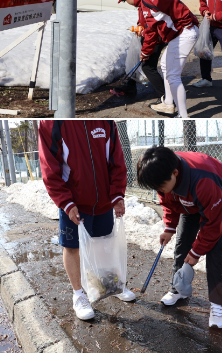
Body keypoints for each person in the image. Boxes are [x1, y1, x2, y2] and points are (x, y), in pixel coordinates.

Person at [38, 120, 136, 321]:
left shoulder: (106, 122)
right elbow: (50, 167)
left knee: (104, 242)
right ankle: (79, 295)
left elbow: (117, 160)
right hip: (73, 202)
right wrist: (65, 202)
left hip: (103, 200)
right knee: (72, 247)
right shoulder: (52, 123)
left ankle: (109, 286)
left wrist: (117, 195)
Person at [137, 146, 222, 329]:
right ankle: (179, 288)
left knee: (216, 248)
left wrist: (196, 252)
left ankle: (218, 305)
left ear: (175, 173)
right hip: (189, 203)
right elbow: (168, 200)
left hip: (221, 199)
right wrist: (169, 226)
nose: (159, 190)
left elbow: (212, 226)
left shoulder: (204, 180)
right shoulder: (164, 175)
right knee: (182, 243)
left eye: (160, 186)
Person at [118, 0, 199, 118]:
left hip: (184, 32)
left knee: (173, 76)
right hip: (182, 31)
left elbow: (152, 31)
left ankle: (183, 117)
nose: (127, 2)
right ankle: (167, 102)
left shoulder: (147, 0)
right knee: (165, 65)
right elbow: (157, 25)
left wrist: (145, 52)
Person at [113, 0, 165, 105]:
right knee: (141, 60)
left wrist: (146, 49)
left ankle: (165, 98)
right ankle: (131, 85)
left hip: (156, 36)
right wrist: (140, 25)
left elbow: (153, 26)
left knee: (148, 66)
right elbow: (145, 19)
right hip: (151, 34)